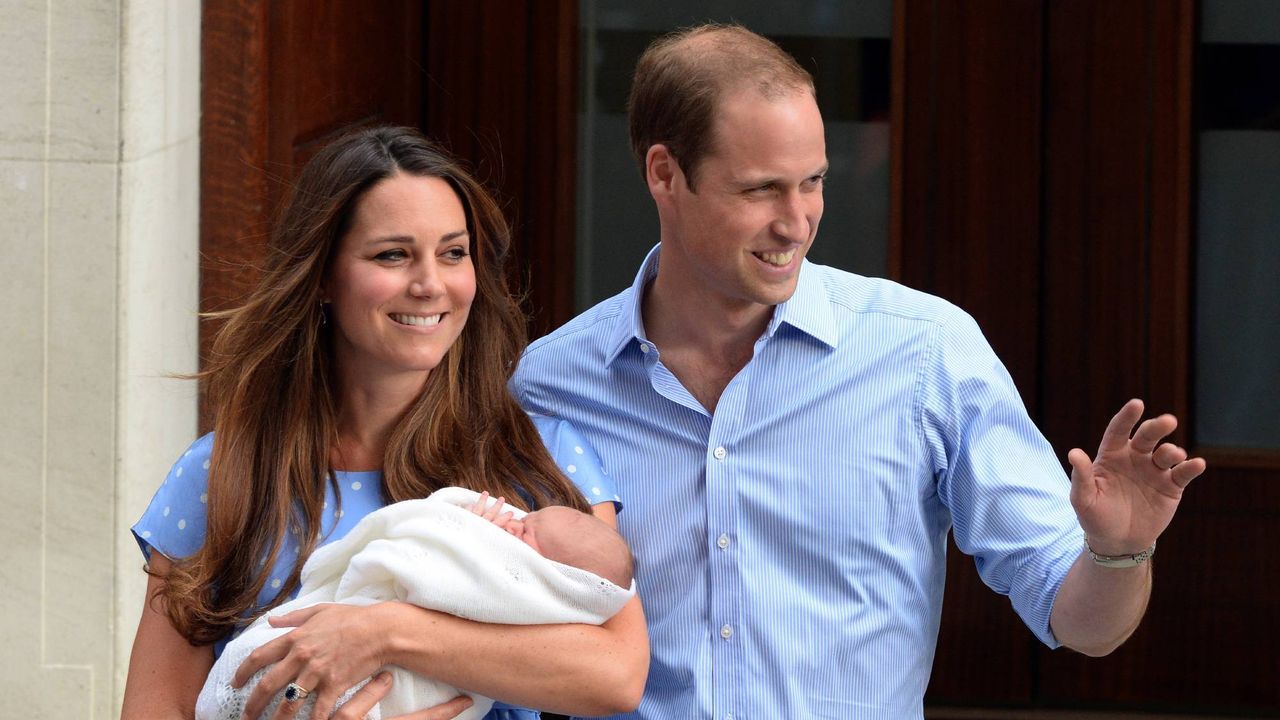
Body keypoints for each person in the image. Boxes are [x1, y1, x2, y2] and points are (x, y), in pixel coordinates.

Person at [510, 23, 1206, 719]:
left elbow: (1078, 621)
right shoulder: (550, 384)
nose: (797, 222)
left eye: (812, 182)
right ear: (664, 174)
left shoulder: (926, 352)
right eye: (760, 190)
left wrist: (1121, 551)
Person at [121, 126, 647, 720]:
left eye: (453, 253)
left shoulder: (537, 456)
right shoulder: (222, 472)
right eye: (392, 255)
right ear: (322, 276)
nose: (429, 285)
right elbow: (155, 706)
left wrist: (384, 632)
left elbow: (615, 675)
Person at [197, 489, 636, 720]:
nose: (513, 520)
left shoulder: (548, 451)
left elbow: (617, 678)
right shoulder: (226, 464)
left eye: (525, 531)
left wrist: (382, 631)